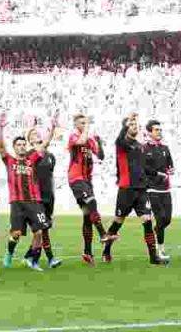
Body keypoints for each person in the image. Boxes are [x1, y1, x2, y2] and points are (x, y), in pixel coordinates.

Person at [100, 114, 166, 266]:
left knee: (148, 221)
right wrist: (128, 120)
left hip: (141, 190)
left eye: (136, 125)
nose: (135, 127)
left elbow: (143, 167)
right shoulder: (121, 143)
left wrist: (157, 174)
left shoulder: (139, 145)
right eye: (132, 125)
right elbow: (121, 135)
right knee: (118, 222)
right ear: (125, 128)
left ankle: (153, 257)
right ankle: (107, 250)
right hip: (126, 189)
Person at [0, 117, 57, 272]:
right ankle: (9, 253)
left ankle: (35, 262)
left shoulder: (32, 159)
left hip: (34, 201)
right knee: (16, 234)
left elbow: (45, 145)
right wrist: (1, 128)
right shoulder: (9, 160)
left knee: (38, 233)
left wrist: (52, 128)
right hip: (17, 202)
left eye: (24, 144)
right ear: (14, 147)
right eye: (19, 145)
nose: (22, 147)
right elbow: (1, 147)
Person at [67, 113, 110, 266]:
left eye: (86, 122)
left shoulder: (90, 139)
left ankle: (87, 252)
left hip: (87, 180)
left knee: (87, 214)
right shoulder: (73, 137)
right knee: (91, 203)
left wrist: (99, 143)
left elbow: (101, 155)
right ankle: (103, 233)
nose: (85, 125)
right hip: (76, 178)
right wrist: (87, 129)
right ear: (76, 125)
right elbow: (81, 141)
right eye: (82, 122)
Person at [23, 117, 61, 269]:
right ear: (29, 140)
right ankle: (49, 258)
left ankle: (29, 255)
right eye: (32, 134)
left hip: (49, 196)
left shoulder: (51, 156)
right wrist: (30, 128)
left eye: (37, 133)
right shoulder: (29, 155)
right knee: (42, 228)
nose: (36, 135)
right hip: (36, 197)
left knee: (44, 228)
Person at [143, 120, 173, 262]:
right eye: (156, 130)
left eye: (160, 130)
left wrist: (171, 170)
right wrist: (156, 175)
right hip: (152, 189)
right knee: (160, 218)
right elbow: (143, 169)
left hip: (166, 189)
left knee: (167, 219)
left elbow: (170, 165)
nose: (159, 132)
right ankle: (159, 250)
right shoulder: (144, 149)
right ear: (149, 132)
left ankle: (156, 231)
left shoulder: (165, 148)